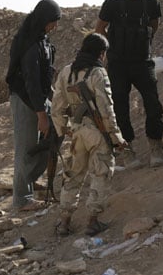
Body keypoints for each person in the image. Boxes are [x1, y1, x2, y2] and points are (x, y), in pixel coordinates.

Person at [51, 33, 127, 236]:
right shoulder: (98, 74)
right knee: (101, 173)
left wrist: (63, 129)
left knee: (73, 176)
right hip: (97, 132)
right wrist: (116, 137)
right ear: (101, 53)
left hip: (77, 132)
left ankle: (64, 223)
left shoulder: (67, 71)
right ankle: (92, 221)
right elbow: (106, 110)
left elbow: (56, 106)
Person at [95, 0, 163, 168]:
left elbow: (154, 26)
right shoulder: (113, 3)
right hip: (118, 64)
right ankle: (127, 151)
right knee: (120, 107)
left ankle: (155, 147)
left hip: (143, 62)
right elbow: (99, 28)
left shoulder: (151, 2)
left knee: (153, 104)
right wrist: (114, 45)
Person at [5, 0, 61, 211]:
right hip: (25, 99)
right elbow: (30, 81)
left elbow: (43, 75)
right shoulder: (28, 43)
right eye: (52, 22)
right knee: (26, 147)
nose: (54, 27)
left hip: (39, 98)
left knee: (54, 135)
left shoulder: (42, 39)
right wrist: (41, 114)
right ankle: (21, 199)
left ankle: (28, 179)